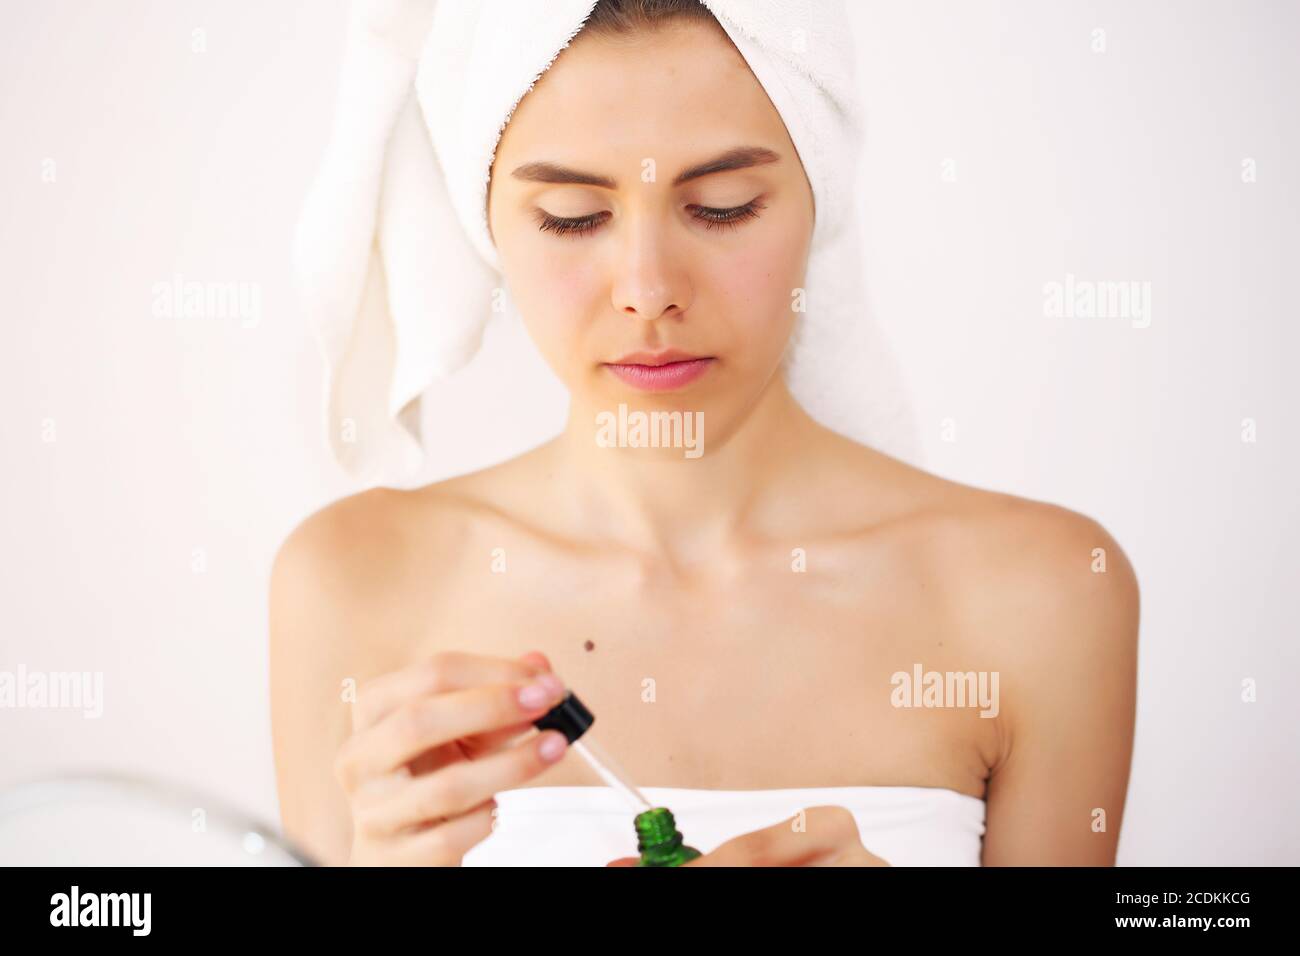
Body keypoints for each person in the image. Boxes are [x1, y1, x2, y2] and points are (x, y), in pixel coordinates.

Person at [270, 0, 1138, 867]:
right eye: (572, 215)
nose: (648, 291)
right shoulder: (352, 584)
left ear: (818, 200)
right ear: (489, 222)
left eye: (722, 207)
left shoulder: (1044, 595)